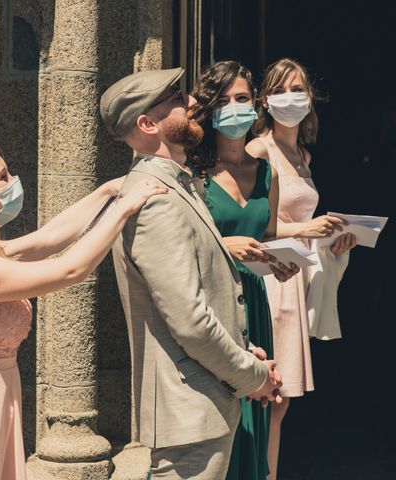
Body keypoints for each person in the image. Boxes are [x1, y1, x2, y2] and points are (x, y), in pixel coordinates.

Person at [0, 137, 166, 479]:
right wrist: (123, 211)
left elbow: (49, 239)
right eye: (2, 177)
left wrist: (108, 192)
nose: (11, 183)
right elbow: (69, 269)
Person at [100, 67, 283, 480]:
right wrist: (253, 375)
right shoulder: (157, 199)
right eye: (176, 100)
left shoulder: (174, 184)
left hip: (205, 397)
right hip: (188, 406)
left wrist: (245, 349)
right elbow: (190, 320)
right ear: (148, 124)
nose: (192, 104)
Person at [246, 58, 356, 480]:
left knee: (283, 397)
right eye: (282, 90)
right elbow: (252, 224)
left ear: (311, 99)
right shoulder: (260, 150)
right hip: (270, 279)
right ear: (266, 100)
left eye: (299, 89)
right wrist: (305, 227)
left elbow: (301, 227)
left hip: (296, 278)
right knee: (267, 393)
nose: (291, 98)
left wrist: (334, 240)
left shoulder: (303, 154)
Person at [188, 60, 299, 480]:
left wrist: (279, 261)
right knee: (217, 415)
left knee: (256, 417)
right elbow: (179, 245)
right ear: (210, 109)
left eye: (242, 99)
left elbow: (267, 237)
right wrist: (223, 246)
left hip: (255, 301)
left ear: (256, 106)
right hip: (213, 305)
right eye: (225, 100)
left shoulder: (267, 173)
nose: (235, 108)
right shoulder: (194, 174)